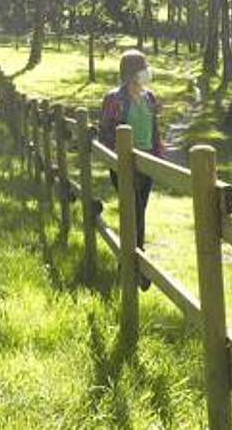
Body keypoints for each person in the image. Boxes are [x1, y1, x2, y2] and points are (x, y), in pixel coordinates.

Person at [99, 49, 165, 289]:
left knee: (139, 210)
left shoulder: (150, 98)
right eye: (143, 67)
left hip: (148, 163)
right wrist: (115, 159)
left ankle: (130, 262)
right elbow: (105, 131)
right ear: (131, 72)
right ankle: (138, 265)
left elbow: (155, 130)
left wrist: (159, 159)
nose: (147, 71)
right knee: (133, 210)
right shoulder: (114, 99)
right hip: (125, 165)